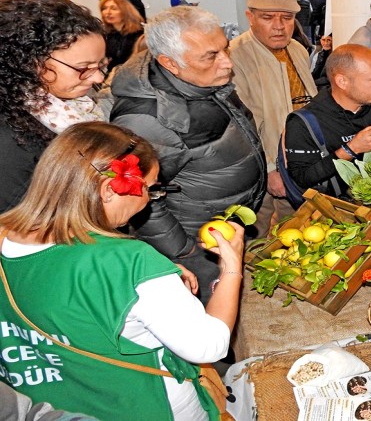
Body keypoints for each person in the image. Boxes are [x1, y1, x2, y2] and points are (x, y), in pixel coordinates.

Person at [0, 122, 245, 420]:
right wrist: (232, 267)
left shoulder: (5, 234)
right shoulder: (128, 261)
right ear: (108, 190)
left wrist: (155, 282)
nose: (146, 202)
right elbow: (208, 346)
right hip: (145, 406)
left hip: (52, 405)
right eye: (150, 189)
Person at [110, 6, 266, 304]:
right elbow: (142, 202)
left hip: (223, 230)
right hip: (200, 245)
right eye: (211, 56)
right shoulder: (147, 119)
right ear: (170, 63)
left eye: (225, 49)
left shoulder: (199, 81)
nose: (227, 63)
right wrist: (189, 254)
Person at [0, 0, 106, 213]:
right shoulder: (10, 138)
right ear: (32, 62)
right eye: (84, 68)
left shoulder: (69, 106)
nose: (98, 78)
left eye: (100, 65)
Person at [230, 0, 318, 234]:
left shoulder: (298, 49)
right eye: (268, 18)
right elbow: (242, 125)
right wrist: (269, 169)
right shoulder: (235, 56)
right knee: (256, 231)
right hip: (261, 165)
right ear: (250, 17)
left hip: (300, 158)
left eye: (287, 18)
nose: (279, 26)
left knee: (296, 227)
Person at [284, 44, 371, 196]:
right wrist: (350, 149)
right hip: (336, 210)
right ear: (342, 81)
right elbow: (302, 178)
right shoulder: (303, 123)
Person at [100, 0, 144, 73]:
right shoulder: (105, 34)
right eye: (104, 8)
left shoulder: (140, 33)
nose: (108, 12)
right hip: (113, 74)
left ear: (125, 12)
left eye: (114, 9)